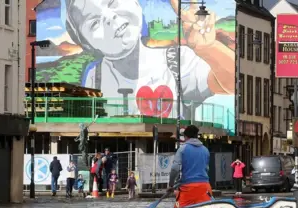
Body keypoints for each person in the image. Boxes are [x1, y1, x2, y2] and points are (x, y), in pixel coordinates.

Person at [63, 0, 234, 119]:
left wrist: (208, 48)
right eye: (94, 23)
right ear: (87, 44)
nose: (110, 17)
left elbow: (233, 84)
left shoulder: (176, 60)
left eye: (113, 2)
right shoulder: (95, 75)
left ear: (137, 4)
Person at [168, 125, 212, 208]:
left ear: (185, 136)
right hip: (205, 187)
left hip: (188, 188)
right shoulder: (205, 150)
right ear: (196, 136)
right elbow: (207, 169)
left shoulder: (182, 149)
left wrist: (171, 184)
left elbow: (175, 168)